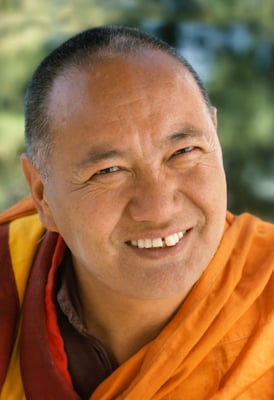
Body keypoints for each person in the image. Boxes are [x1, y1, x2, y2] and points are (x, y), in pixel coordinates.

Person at [0, 25, 273, 400]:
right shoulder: (8, 277)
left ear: (216, 138)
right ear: (42, 195)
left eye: (184, 152)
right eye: (108, 171)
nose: (159, 207)